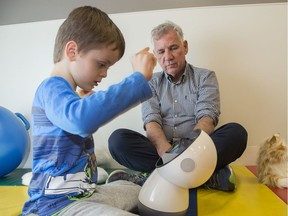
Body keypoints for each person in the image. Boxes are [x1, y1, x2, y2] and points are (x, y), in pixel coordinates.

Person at [22, 6, 156, 216]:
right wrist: (137, 80)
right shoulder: (50, 88)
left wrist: (81, 102)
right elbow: (81, 121)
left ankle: (119, 182)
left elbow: (75, 122)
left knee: (139, 190)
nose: (104, 74)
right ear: (72, 51)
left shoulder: (68, 97)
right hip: (55, 205)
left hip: (84, 194)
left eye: (108, 67)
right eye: (101, 64)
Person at [107, 21, 248, 193]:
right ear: (156, 55)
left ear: (185, 47)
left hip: (198, 149)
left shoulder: (205, 77)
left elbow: (207, 118)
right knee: (118, 140)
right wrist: (167, 153)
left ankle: (154, 177)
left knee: (236, 133)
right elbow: (151, 122)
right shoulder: (150, 82)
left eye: (173, 48)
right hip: (162, 151)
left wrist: (187, 151)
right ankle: (205, 177)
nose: (168, 56)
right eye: (161, 51)